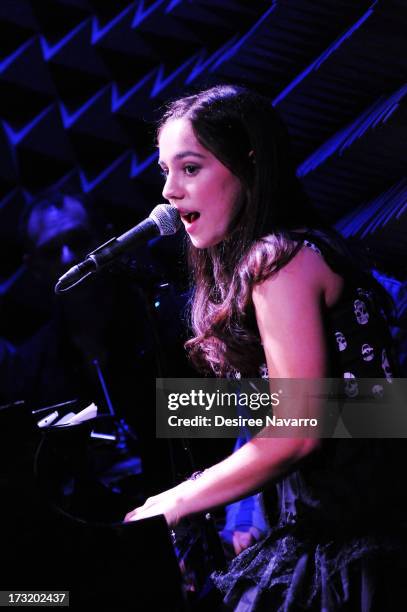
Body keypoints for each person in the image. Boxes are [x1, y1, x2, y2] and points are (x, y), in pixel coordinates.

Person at [124, 84, 406, 610]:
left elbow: (298, 434)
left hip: (361, 536)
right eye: (165, 171)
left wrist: (174, 501)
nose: (169, 191)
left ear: (248, 163)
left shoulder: (279, 263)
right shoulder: (293, 252)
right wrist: (246, 507)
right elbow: (299, 411)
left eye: (190, 168)